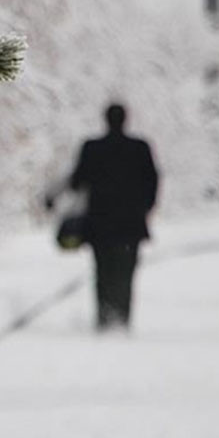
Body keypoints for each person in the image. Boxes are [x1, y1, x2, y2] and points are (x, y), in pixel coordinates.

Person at [50, 103, 158, 331]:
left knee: (103, 271)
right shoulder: (140, 148)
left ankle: (104, 318)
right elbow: (152, 182)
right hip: (131, 224)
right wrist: (143, 209)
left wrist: (54, 197)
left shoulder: (92, 148)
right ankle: (122, 318)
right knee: (126, 272)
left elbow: (77, 180)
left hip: (100, 224)